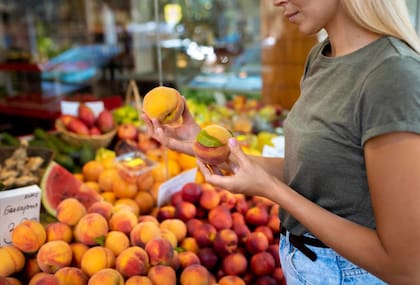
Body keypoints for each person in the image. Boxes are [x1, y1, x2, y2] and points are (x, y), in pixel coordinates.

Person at [142, 0, 420, 284]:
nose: (276, 1)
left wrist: (270, 189)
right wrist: (201, 146)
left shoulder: (392, 75)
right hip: (304, 263)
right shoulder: (321, 56)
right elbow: (314, 171)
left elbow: (405, 267)